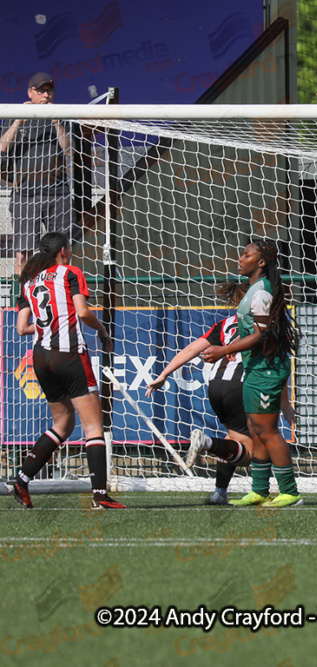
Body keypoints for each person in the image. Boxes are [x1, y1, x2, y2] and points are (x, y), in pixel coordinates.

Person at [10, 231, 125, 509]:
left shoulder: (29, 283)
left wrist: (48, 325)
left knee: (62, 424)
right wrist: (103, 332)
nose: (71, 252)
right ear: (62, 250)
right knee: (93, 426)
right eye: (69, 248)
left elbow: (22, 328)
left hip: (41, 357)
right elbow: (83, 313)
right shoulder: (69, 272)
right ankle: (100, 495)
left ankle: (21, 481)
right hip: (70, 353)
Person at [145, 314, 294, 506]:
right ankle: (207, 443)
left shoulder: (225, 323)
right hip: (243, 384)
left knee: (233, 438)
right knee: (252, 449)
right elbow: (276, 362)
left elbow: (191, 349)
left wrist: (164, 374)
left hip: (216, 386)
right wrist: (285, 403)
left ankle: (220, 492)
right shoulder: (266, 319)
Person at [200, 239, 301, 508]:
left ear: (261, 262)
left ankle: (290, 492)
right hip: (256, 368)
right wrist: (235, 349)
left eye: (245, 255)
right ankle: (259, 490)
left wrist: (224, 350)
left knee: (268, 432)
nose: (239, 259)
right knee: (255, 432)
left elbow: (262, 334)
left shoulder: (261, 292)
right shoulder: (255, 290)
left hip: (267, 370)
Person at [0, 72, 73, 274]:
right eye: (41, 91)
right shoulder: (14, 116)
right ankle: (22, 300)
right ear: (30, 93)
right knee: (23, 252)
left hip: (57, 193)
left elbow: (68, 150)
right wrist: (18, 121)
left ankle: (59, 294)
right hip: (25, 194)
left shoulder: (62, 116)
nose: (45, 96)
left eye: (49, 91)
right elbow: (2, 148)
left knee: (60, 251)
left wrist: (56, 121)